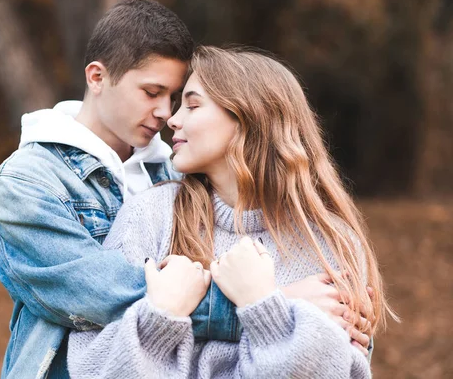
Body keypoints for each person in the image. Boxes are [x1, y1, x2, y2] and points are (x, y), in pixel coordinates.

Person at [0, 0, 372, 379]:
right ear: (97, 77)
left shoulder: (175, 169)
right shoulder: (28, 183)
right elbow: (99, 295)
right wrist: (275, 307)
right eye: (152, 93)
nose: (167, 114)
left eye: (176, 98)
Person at [67, 46, 396, 378]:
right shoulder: (150, 217)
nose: (173, 119)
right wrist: (160, 319)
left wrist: (264, 308)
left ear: (249, 119)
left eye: (193, 105)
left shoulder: (332, 244)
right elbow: (92, 367)